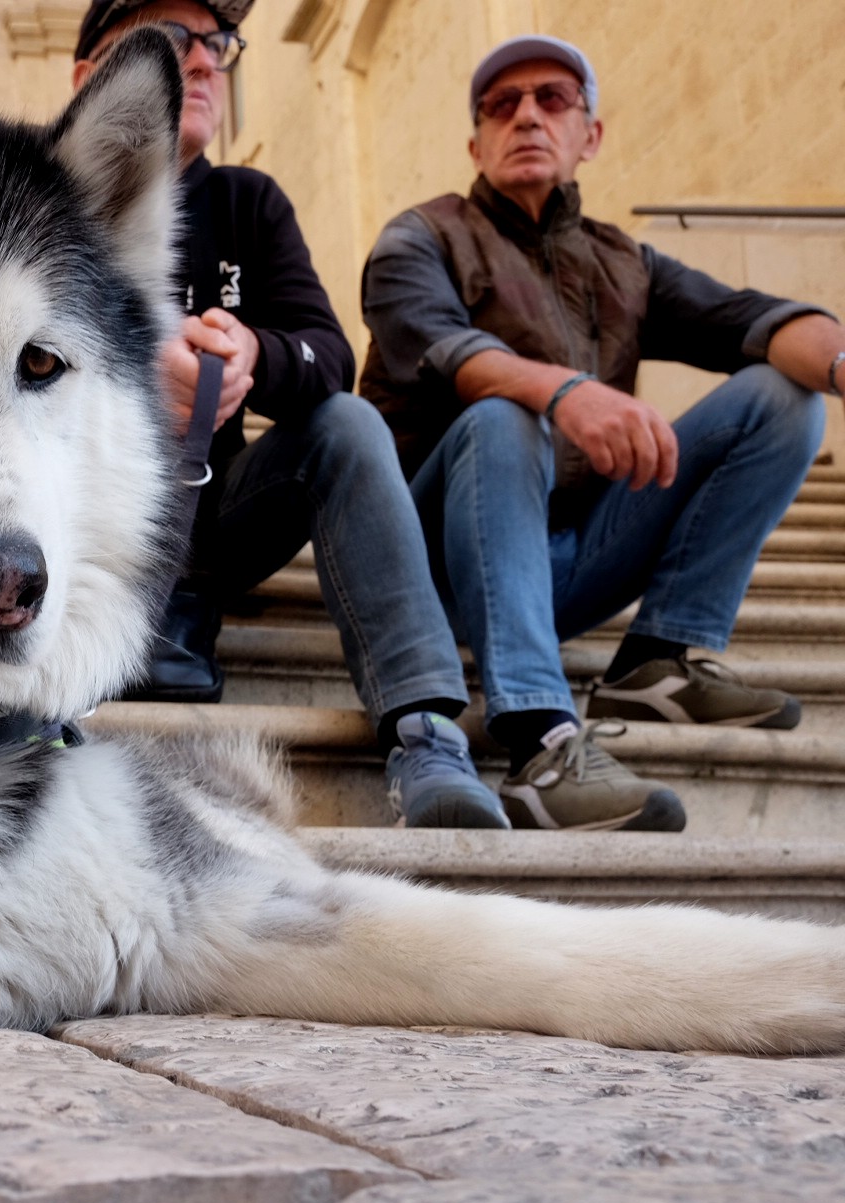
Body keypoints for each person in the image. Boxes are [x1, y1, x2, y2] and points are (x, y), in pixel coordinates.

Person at [360, 35, 845, 832]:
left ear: (590, 134)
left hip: (567, 561)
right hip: (434, 566)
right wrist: (568, 393)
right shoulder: (420, 237)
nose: (527, 116)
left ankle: (656, 662)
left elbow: (754, 319)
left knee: (784, 399)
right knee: (506, 413)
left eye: (552, 99)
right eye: (502, 105)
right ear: (475, 144)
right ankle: (539, 741)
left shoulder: (626, 262)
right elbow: (447, 352)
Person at [73, 0, 508, 829]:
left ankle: (424, 732)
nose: (204, 61)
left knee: (346, 424)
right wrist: (131, 361)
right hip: (74, 526)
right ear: (91, 77)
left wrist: (252, 357)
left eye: (218, 43)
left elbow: (328, 353)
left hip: (212, 517)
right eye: (172, 40)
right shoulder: (36, 194)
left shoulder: (249, 201)